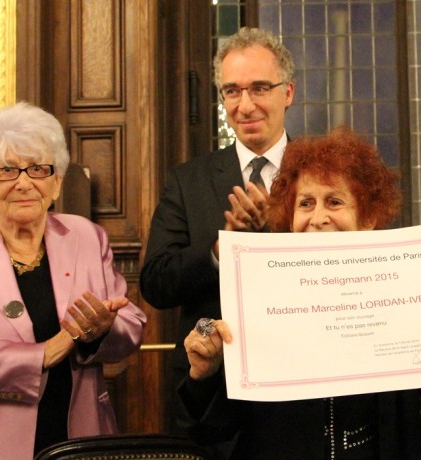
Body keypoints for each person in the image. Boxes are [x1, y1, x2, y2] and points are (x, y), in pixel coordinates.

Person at [177, 127, 421, 459]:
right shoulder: (255, 294)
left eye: (334, 202)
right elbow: (210, 432)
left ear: (369, 216)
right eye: (305, 203)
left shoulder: (409, 290)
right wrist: (204, 374)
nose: (318, 218)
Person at [0, 102, 147, 460]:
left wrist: (97, 334)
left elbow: (130, 324)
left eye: (37, 169)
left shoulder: (87, 237)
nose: (23, 183)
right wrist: (39, 356)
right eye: (6, 170)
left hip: (78, 439)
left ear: (56, 182)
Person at [140, 26, 295, 420]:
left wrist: (274, 232)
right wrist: (221, 248)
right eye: (232, 91)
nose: (245, 105)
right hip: (215, 389)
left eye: (260, 88)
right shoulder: (187, 180)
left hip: (303, 378)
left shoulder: (320, 174)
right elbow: (156, 284)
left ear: (288, 93)